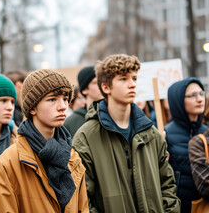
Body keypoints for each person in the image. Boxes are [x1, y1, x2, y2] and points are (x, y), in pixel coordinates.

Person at [72, 54, 180, 212]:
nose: (132, 85)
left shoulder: (151, 133)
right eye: (123, 79)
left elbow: (168, 185)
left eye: (134, 78)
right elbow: (83, 199)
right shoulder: (86, 138)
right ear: (106, 87)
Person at [0, 69, 89, 212]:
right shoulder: (7, 165)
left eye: (65, 99)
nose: (63, 107)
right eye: (52, 99)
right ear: (32, 107)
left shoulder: (73, 158)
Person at [164, 77, 206, 213]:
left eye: (201, 93)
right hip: (180, 205)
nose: (199, 99)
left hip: (207, 204)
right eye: (193, 95)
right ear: (178, 100)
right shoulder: (165, 134)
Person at [64, 65, 103, 137]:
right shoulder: (71, 122)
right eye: (96, 82)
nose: (102, 85)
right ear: (85, 90)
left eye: (103, 81)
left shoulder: (112, 115)